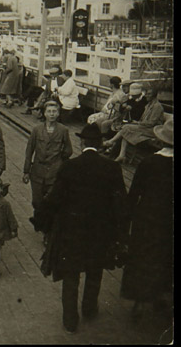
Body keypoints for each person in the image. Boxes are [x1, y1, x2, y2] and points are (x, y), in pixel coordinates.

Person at [35, 123, 128, 334]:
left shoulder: (69, 166)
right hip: (99, 232)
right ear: (101, 144)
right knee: (95, 271)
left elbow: (54, 199)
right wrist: (121, 233)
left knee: (71, 274)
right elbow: (120, 204)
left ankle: (70, 319)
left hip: (72, 231)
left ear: (81, 142)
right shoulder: (112, 168)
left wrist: (41, 221)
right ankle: (89, 309)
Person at [120, 118, 173, 319]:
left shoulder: (149, 162)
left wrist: (126, 220)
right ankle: (161, 297)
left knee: (143, 257)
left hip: (147, 219)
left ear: (160, 141)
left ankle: (139, 301)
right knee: (165, 258)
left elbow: (134, 194)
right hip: (169, 221)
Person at [23, 101, 73, 231]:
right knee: (37, 201)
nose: (52, 114)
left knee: (51, 200)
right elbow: (29, 150)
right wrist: (26, 171)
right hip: (37, 171)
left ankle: (47, 229)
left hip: (54, 171)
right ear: (44, 113)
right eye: (49, 111)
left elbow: (68, 150)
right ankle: (39, 219)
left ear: (58, 113)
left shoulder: (63, 130)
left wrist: (59, 161)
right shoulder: (36, 130)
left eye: (54, 111)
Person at [102, 87, 165, 163]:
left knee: (126, 127)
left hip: (152, 130)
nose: (147, 96)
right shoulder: (148, 105)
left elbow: (151, 123)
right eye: (146, 94)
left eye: (149, 94)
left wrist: (137, 123)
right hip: (144, 127)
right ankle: (122, 155)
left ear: (154, 95)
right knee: (127, 130)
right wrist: (136, 122)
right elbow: (143, 120)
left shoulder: (157, 106)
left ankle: (111, 142)